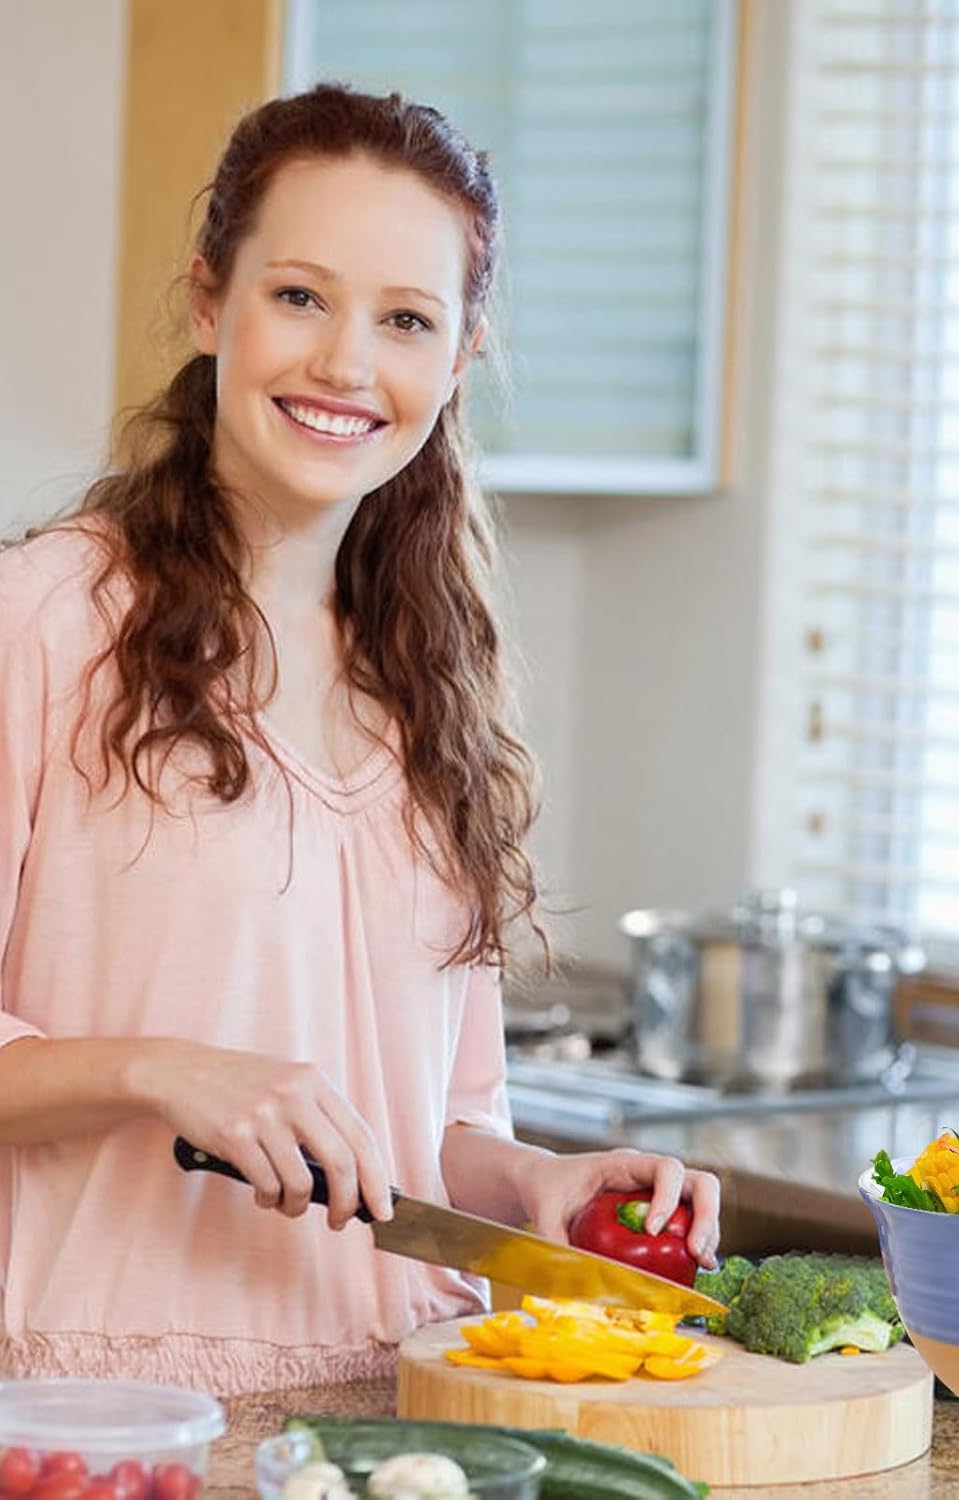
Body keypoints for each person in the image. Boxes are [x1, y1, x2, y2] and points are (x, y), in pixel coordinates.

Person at [0, 85, 720, 1395]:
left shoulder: (435, 676)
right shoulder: (46, 622)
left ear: (458, 360)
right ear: (210, 301)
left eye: (405, 321)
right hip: (102, 1409)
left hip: (407, 1396)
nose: (346, 365)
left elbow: (433, 1127)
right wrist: (164, 1072)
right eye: (300, 298)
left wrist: (534, 1185)